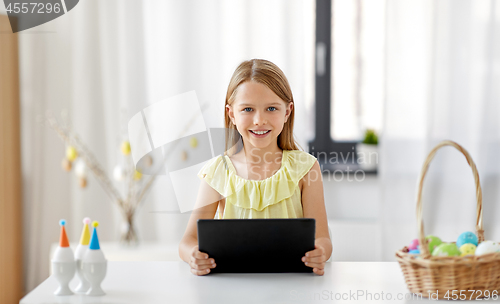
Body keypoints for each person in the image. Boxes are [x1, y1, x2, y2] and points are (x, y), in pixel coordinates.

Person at [178, 59, 332, 276]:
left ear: (287, 112)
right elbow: (188, 240)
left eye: (271, 108)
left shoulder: (306, 168)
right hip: (232, 287)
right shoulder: (217, 172)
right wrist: (194, 255)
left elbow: (322, 238)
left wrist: (321, 251)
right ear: (232, 114)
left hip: (292, 285)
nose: (259, 120)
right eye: (248, 109)